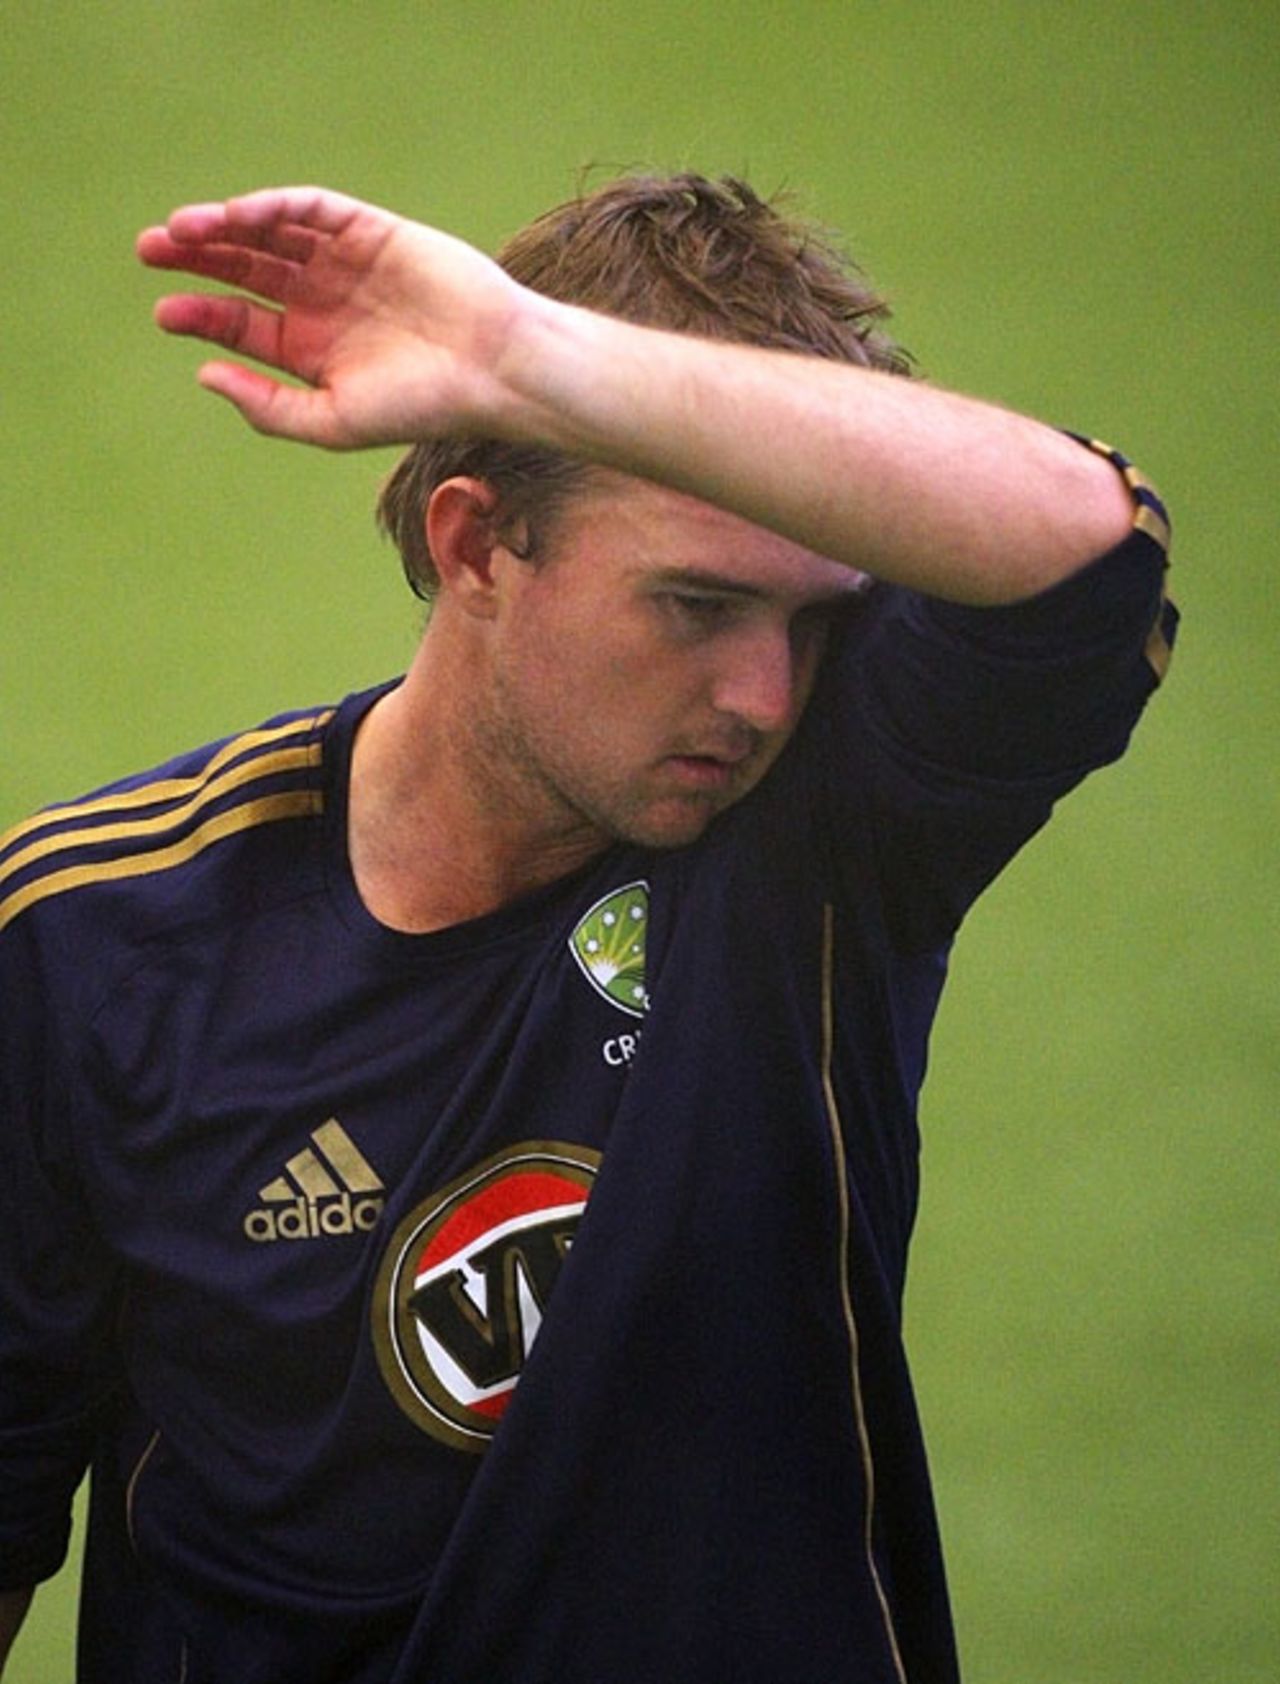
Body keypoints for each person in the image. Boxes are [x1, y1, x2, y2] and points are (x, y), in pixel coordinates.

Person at [0, 175, 1175, 1683]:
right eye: (696, 606)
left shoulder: (827, 831)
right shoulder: (94, 941)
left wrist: (533, 362)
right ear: (479, 546)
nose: (764, 696)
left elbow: (1093, 548)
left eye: (815, 622)